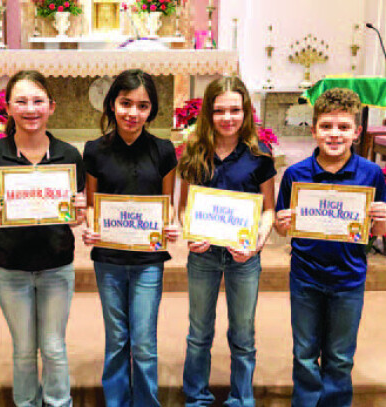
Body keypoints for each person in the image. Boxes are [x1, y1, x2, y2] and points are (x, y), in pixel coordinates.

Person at [0, 70, 86, 407]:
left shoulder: (69, 156)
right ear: (8, 107)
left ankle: (58, 403)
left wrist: (80, 213)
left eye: (38, 101)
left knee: (53, 346)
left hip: (56, 265)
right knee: (23, 350)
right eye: (21, 101)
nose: (30, 109)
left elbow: (75, 217)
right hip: (11, 266)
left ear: (51, 106)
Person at [275, 88, 386, 407]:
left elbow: (378, 231)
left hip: (349, 280)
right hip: (306, 278)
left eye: (343, 127)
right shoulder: (296, 175)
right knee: (305, 354)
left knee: (339, 358)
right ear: (313, 130)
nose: (334, 134)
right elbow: (284, 230)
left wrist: (382, 218)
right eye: (326, 126)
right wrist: (283, 223)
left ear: (356, 132)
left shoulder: (372, 173)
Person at [177, 76, 277, 407]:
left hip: (244, 258)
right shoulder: (194, 151)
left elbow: (269, 211)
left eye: (235, 109)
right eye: (220, 110)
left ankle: (241, 399)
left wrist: (257, 244)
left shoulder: (260, 154)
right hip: (204, 256)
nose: (228, 118)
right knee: (199, 334)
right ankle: (196, 398)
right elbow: (183, 208)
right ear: (208, 112)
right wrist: (190, 233)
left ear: (246, 111)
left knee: (243, 335)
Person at [82, 69, 178, 407]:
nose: (132, 113)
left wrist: (171, 226)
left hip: (148, 262)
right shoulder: (94, 150)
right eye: (125, 103)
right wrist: (90, 226)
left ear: (151, 110)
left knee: (144, 344)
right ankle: (117, 402)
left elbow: (167, 207)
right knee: (117, 339)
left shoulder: (165, 151)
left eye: (142, 106)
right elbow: (92, 204)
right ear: (111, 104)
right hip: (108, 260)